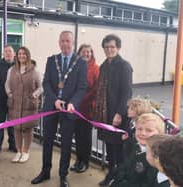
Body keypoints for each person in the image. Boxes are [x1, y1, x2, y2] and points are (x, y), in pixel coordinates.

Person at [31, 31, 87, 187]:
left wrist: (72, 103)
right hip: (51, 107)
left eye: (68, 41)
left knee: (66, 144)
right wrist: (55, 100)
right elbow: (46, 83)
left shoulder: (81, 63)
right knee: (47, 141)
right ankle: (45, 171)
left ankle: (63, 175)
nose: (65, 44)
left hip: (68, 111)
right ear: (59, 42)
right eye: (62, 41)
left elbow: (82, 87)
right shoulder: (52, 60)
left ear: (73, 42)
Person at [95, 34, 133, 186]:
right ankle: (111, 175)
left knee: (120, 151)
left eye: (112, 47)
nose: (109, 49)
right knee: (109, 148)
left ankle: (119, 179)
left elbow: (127, 92)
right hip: (105, 115)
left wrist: (119, 113)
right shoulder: (104, 66)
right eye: (106, 47)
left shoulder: (124, 66)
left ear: (118, 48)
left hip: (118, 115)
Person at [5, 46, 42, 163]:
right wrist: (9, 93)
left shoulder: (34, 70)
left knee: (27, 129)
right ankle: (19, 151)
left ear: (28, 55)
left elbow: (41, 87)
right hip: (15, 103)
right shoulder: (11, 70)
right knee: (16, 128)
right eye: (20, 54)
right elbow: (7, 84)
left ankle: (26, 151)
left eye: (24, 54)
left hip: (28, 104)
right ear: (17, 55)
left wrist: (35, 95)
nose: (22, 56)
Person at [110, 113, 165, 187]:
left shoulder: (156, 159)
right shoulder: (132, 145)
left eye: (149, 130)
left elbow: (147, 183)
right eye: (139, 129)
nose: (143, 133)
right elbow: (124, 166)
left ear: (160, 134)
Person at [70, 44, 99, 173]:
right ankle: (78, 159)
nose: (86, 54)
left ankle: (85, 162)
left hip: (87, 109)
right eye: (84, 52)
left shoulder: (96, 69)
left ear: (91, 54)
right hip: (75, 108)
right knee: (77, 136)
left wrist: (81, 99)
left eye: (89, 52)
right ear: (79, 53)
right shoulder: (75, 67)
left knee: (85, 137)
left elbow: (96, 90)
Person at [0, 45, 16, 154]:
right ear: (3, 54)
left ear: (14, 54)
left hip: (14, 101)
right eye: (6, 51)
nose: (8, 53)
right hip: (1, 100)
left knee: (12, 124)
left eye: (10, 51)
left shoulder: (18, 66)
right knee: (0, 124)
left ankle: (12, 144)